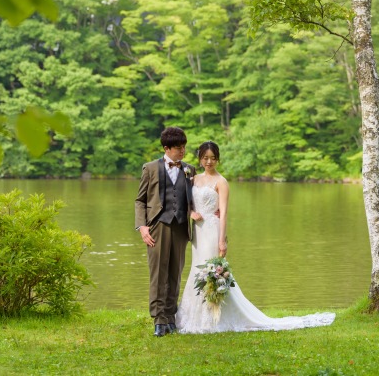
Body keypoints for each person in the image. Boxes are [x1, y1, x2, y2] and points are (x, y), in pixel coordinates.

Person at [176, 141, 335, 333]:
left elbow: (224, 213)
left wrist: (221, 240)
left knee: (212, 271)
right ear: (200, 158)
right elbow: (187, 202)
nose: (209, 161)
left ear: (217, 159)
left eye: (212, 158)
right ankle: (195, 316)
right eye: (205, 157)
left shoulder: (221, 182)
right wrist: (192, 212)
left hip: (212, 230)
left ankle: (216, 316)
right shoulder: (193, 179)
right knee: (197, 270)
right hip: (198, 233)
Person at [134, 126, 196, 337]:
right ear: (166, 148)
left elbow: (192, 199)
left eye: (184, 147)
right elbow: (140, 200)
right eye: (179, 148)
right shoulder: (150, 168)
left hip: (180, 227)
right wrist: (142, 227)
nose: (183, 151)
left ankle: (171, 317)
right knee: (158, 274)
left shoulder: (189, 169)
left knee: (175, 274)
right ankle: (159, 320)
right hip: (157, 227)